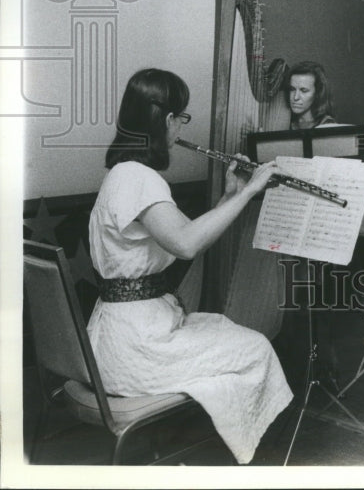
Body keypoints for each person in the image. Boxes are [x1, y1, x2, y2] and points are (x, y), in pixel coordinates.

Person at [87, 68, 293, 464]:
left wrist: (228, 196)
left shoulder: (122, 174)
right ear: (166, 120)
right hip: (136, 349)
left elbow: (182, 234)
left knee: (222, 328)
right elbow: (186, 244)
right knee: (255, 348)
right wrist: (251, 190)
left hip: (120, 336)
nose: (181, 127)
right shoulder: (139, 178)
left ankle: (213, 444)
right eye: (181, 118)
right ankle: (244, 457)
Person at [285, 60, 336, 129]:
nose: (296, 97)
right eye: (292, 89)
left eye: (304, 90)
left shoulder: (327, 125)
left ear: (318, 93)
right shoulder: (285, 121)